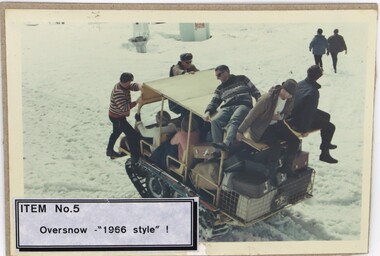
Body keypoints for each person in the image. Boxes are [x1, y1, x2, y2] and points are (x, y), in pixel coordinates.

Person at [236, 79, 299, 185]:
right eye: (289, 94)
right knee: (275, 146)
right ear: (283, 90)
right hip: (262, 127)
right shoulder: (267, 99)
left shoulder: (289, 99)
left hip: (277, 124)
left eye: (292, 95)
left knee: (295, 141)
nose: (290, 97)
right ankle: (271, 173)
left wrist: (281, 117)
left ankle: (286, 167)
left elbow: (288, 112)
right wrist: (240, 131)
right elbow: (252, 115)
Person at [204, 65, 261, 156]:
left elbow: (255, 91)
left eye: (219, 75)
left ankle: (227, 143)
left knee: (234, 120)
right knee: (215, 121)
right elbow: (214, 102)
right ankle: (217, 150)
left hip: (243, 104)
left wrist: (259, 103)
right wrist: (208, 112)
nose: (218, 78)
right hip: (228, 107)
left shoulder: (242, 79)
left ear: (226, 72)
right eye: (216, 76)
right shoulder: (220, 88)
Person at [287, 65, 338, 164]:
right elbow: (308, 113)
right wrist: (304, 129)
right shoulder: (313, 92)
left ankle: (325, 143)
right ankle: (324, 154)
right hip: (298, 119)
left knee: (326, 116)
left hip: (295, 113)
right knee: (331, 127)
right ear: (319, 77)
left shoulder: (301, 83)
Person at [106, 72, 142, 166]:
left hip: (117, 115)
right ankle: (134, 157)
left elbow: (132, 86)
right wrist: (137, 101)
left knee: (116, 132)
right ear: (126, 82)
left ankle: (109, 151)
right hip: (117, 117)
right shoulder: (119, 92)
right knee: (131, 134)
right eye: (130, 82)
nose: (130, 84)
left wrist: (140, 86)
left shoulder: (123, 85)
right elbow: (125, 108)